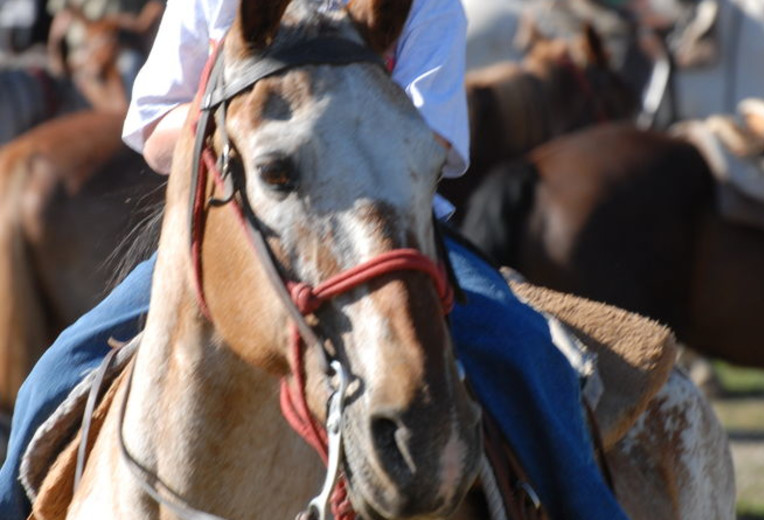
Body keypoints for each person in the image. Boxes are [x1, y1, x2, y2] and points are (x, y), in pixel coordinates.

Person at [0, 0, 629, 519]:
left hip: (391, 240)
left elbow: (435, 141)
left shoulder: (428, 7)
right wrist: (220, 118)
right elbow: (151, 127)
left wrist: (340, 124)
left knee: (523, 348)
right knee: (56, 371)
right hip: (239, 237)